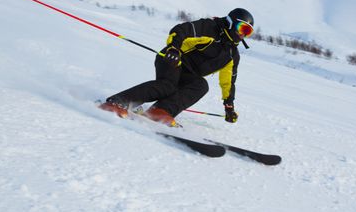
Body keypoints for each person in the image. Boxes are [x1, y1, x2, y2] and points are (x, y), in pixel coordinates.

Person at [99, 8, 254, 127]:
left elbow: (228, 82)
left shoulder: (232, 55)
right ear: (230, 22)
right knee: (167, 85)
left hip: (188, 73)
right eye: (242, 28)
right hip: (173, 58)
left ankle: (160, 111)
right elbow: (181, 30)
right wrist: (173, 48)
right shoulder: (210, 28)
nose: (243, 35)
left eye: (248, 32)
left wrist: (229, 106)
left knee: (200, 85)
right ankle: (117, 102)